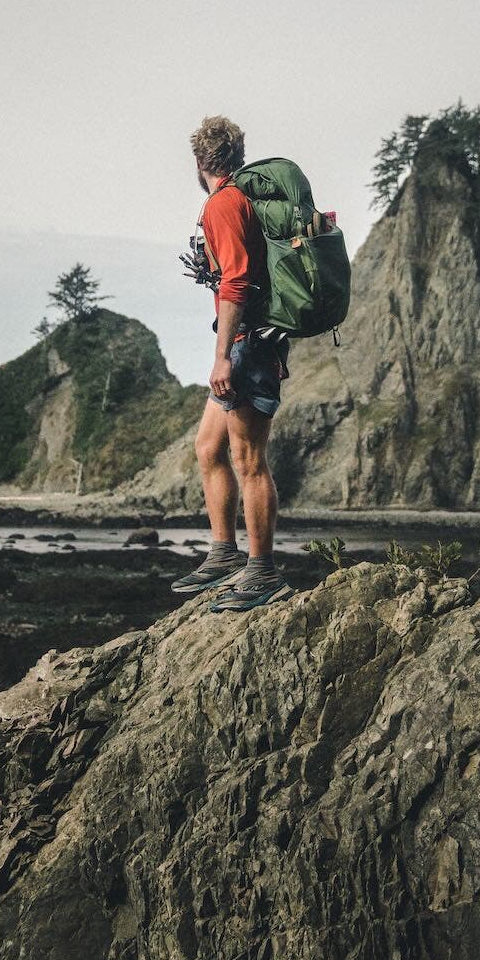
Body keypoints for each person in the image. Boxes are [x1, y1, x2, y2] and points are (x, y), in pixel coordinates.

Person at [171, 114, 293, 612]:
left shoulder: (223, 203)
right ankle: (224, 553)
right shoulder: (239, 200)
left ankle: (261, 571)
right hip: (244, 341)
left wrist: (222, 355)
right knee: (208, 447)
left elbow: (237, 281)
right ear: (237, 157)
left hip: (248, 345)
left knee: (248, 459)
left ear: (201, 163)